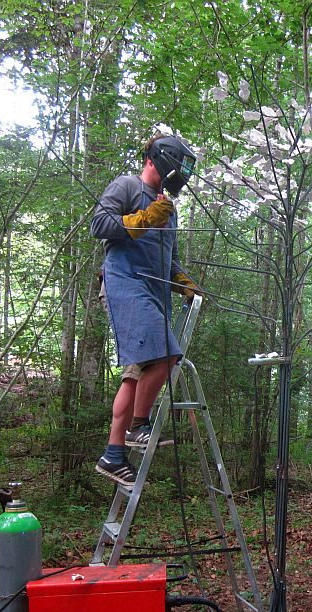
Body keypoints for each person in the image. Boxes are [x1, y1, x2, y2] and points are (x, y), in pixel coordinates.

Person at [90, 132, 201, 487]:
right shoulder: (126, 186)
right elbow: (100, 225)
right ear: (156, 160)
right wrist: (142, 219)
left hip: (154, 294)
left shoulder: (169, 210)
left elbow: (172, 258)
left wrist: (184, 281)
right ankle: (139, 426)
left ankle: (113, 454)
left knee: (136, 374)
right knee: (168, 354)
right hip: (126, 285)